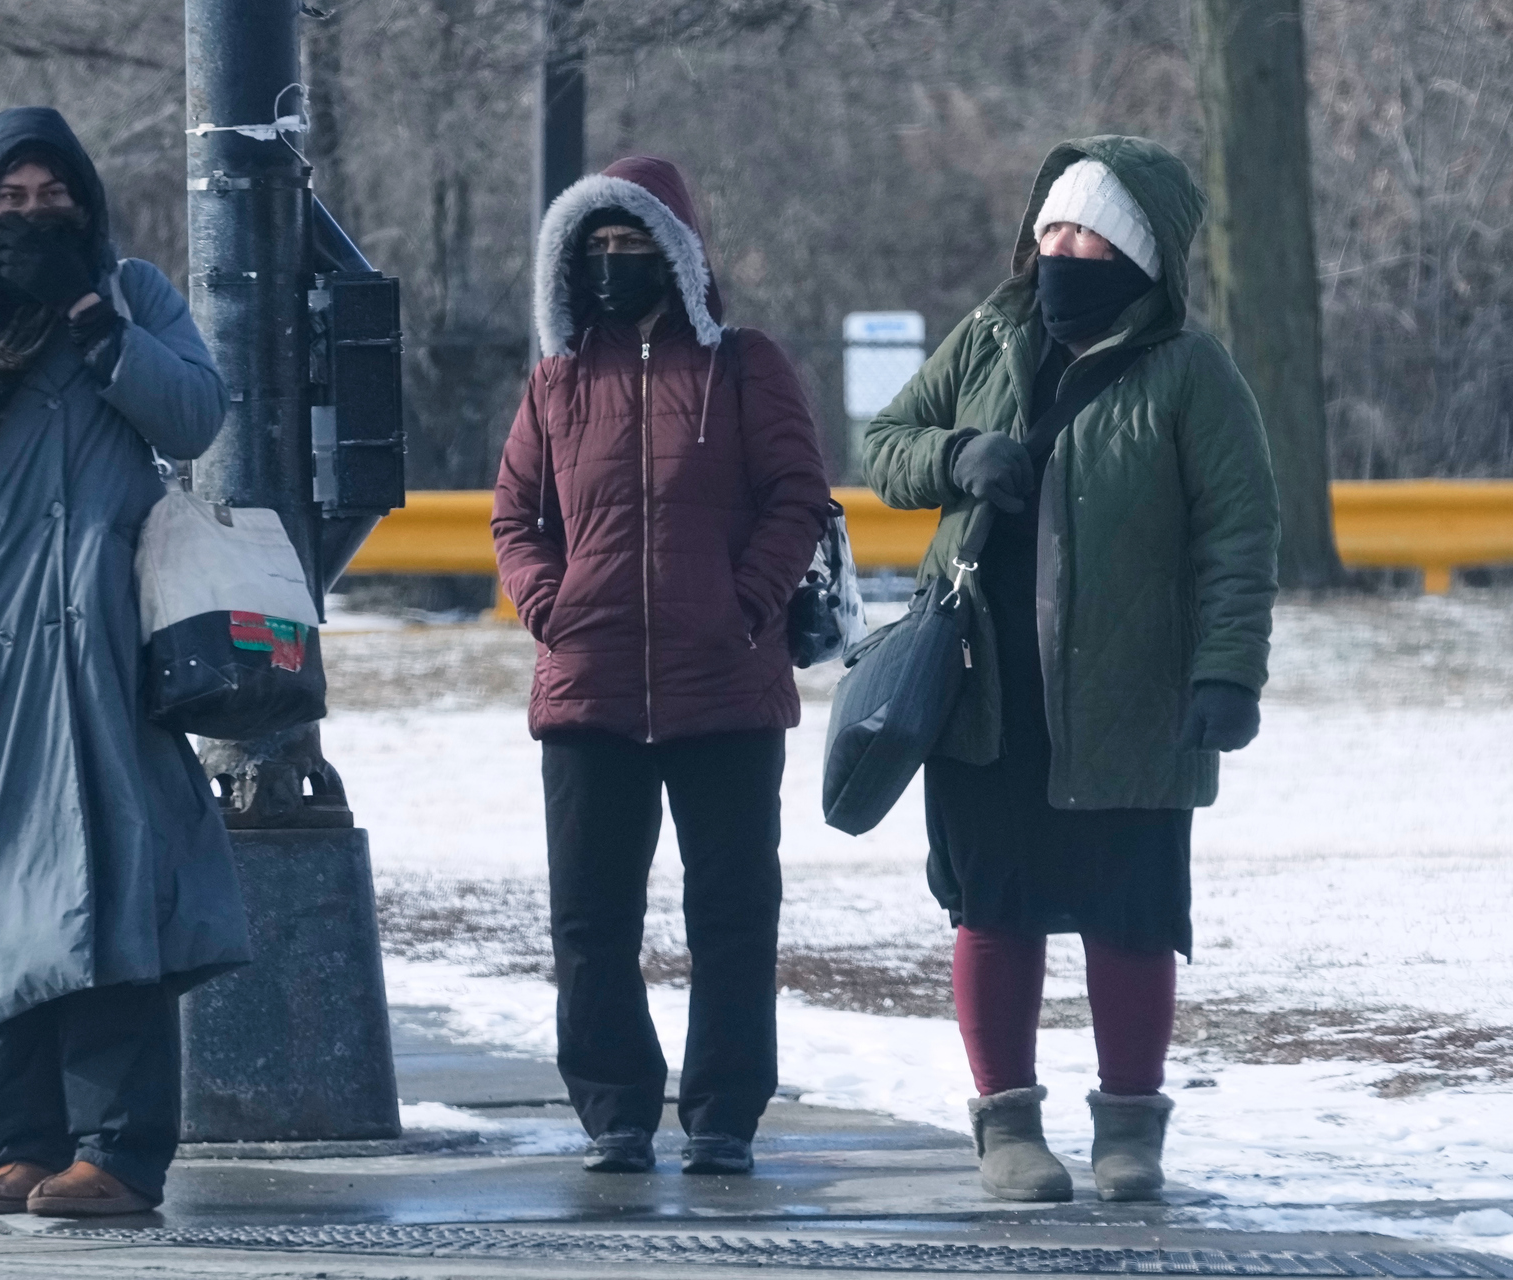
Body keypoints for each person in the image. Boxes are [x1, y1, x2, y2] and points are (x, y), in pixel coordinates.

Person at [0, 107, 249, 1218]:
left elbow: (196, 416)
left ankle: (119, 1151)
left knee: (115, 886)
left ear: (85, 200)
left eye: (52, 195)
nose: (32, 215)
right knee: (1, 894)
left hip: (111, 649)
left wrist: (95, 322)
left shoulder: (132, 296)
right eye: (11, 199)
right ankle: (21, 1139)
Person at [860, 137, 1279, 1203]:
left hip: (1133, 698)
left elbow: (1239, 533)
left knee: (1130, 914)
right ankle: (1007, 1126)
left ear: (1136, 255)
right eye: (1049, 227)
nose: (1059, 250)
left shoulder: (1192, 373)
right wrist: (955, 455)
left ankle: (1130, 1129)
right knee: (993, 906)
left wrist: (1229, 673)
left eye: (1085, 233)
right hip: (985, 691)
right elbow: (884, 443)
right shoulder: (990, 336)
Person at [492, 156, 830, 1176]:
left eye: (631, 244)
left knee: (733, 914)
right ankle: (616, 1113)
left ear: (677, 254)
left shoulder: (745, 365)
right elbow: (515, 517)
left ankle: (724, 1115)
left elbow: (798, 496)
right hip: (588, 686)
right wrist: (550, 606)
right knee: (591, 918)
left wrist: (745, 604)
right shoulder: (556, 379)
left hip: (726, 685)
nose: (612, 263)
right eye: (594, 247)